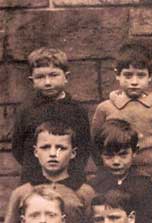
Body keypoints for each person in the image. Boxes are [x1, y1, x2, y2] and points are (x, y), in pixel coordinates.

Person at [1, 120, 95, 223]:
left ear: (73, 153)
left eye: (61, 148)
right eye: (45, 147)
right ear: (35, 152)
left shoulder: (84, 192)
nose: (52, 154)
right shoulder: (22, 192)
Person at [11, 47, 93, 184]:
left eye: (53, 75)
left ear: (66, 77)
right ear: (32, 80)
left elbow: (84, 147)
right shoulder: (26, 110)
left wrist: (68, 173)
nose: (47, 82)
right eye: (40, 77)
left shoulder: (77, 110)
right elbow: (18, 148)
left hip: (70, 179)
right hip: (34, 179)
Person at [91, 42, 152, 184]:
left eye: (141, 76)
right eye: (128, 75)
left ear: (150, 76)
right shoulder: (105, 108)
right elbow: (95, 145)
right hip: (115, 178)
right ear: (117, 75)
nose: (134, 82)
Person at [90, 119, 152, 223]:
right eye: (109, 156)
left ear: (135, 152)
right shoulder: (95, 185)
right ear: (100, 155)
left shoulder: (144, 185)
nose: (116, 161)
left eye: (123, 155)